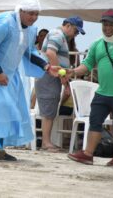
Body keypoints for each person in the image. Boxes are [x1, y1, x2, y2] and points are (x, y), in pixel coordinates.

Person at [0, 0, 60, 161]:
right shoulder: (4, 22)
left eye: (36, 14)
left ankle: (0, 149)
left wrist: (46, 66)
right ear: (21, 11)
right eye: (30, 14)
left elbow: (29, 53)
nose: (34, 18)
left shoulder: (31, 29)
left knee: (12, 110)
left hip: (11, 74)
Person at [67, 9, 113, 166]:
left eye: (111, 25)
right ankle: (87, 154)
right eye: (104, 24)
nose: (107, 28)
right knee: (95, 121)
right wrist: (72, 72)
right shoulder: (97, 43)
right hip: (102, 92)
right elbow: (87, 65)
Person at [35, 16, 85, 152]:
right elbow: (51, 53)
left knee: (50, 108)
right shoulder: (57, 34)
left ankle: (47, 141)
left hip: (50, 75)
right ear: (68, 25)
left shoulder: (59, 35)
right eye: (76, 31)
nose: (76, 34)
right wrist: (61, 74)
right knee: (48, 109)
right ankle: (46, 142)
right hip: (49, 75)